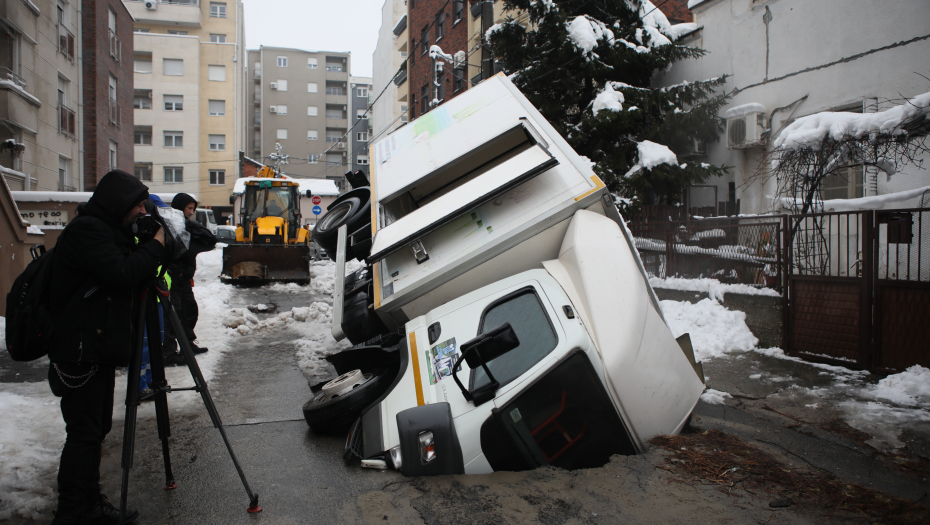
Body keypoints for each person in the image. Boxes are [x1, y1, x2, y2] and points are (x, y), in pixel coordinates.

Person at [47, 170, 166, 524]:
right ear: (119, 203)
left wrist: (150, 250)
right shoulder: (88, 232)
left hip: (96, 348)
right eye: (138, 205)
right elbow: (123, 273)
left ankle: (88, 503)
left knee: (95, 430)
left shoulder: (108, 231)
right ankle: (72, 512)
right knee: (84, 432)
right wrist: (154, 246)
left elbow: (129, 272)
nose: (143, 212)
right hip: (79, 351)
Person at [162, 193, 217, 365]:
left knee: (188, 310)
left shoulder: (186, 227)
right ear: (179, 208)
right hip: (174, 279)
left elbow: (209, 238)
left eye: (193, 209)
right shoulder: (170, 227)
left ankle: (187, 344)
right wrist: (177, 271)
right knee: (173, 314)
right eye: (189, 208)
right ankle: (169, 352)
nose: (192, 212)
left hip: (184, 278)